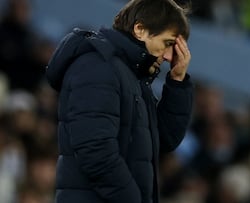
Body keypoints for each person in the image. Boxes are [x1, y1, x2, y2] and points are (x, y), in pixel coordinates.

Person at [45, 0, 193, 202]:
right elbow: (96, 153)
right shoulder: (98, 66)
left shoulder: (133, 77)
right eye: (167, 44)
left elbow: (165, 140)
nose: (169, 57)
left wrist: (177, 82)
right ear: (140, 29)